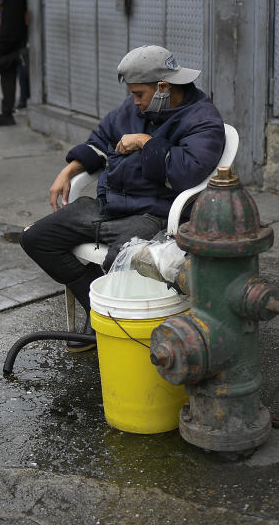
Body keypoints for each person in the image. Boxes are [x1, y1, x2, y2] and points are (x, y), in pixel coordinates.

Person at [20, 46, 225, 349]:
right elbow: (101, 140)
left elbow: (188, 173)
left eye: (139, 94)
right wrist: (69, 170)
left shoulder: (203, 119)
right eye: (132, 94)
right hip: (110, 207)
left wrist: (146, 142)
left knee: (120, 259)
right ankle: (98, 309)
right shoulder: (137, 108)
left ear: (163, 88)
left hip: (155, 214)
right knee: (37, 238)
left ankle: (117, 329)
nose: (134, 102)